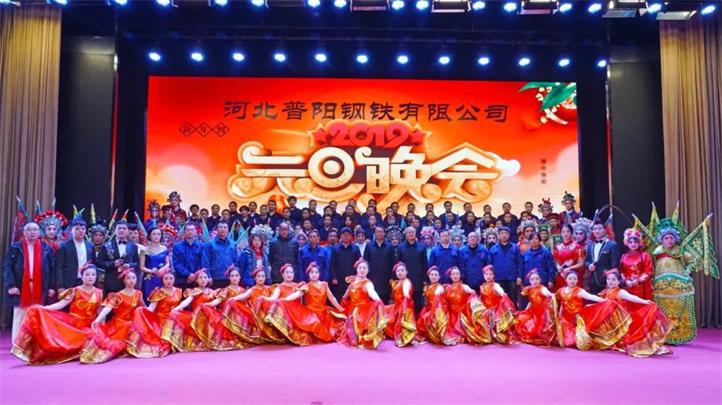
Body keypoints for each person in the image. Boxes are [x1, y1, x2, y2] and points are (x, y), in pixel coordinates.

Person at [12, 265, 102, 365]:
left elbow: (99, 313)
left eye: (93, 275)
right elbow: (60, 305)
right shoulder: (74, 291)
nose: (90, 277)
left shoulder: (99, 293)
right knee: (38, 314)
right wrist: (44, 308)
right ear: (82, 276)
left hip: (88, 325)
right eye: (87, 274)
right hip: (72, 324)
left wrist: (100, 326)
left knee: (93, 337)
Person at [599, 270, 671, 357]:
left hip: (621, 321)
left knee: (630, 341)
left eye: (614, 279)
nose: (610, 282)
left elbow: (631, 297)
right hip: (611, 322)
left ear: (618, 281)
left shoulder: (620, 292)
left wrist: (644, 301)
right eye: (608, 279)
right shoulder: (605, 292)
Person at [3, 222, 55, 341]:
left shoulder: (46, 248)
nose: (32, 232)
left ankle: (34, 343)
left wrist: (51, 287)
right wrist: (11, 285)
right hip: (20, 286)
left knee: (37, 315)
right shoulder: (15, 248)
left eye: (35, 230)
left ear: (39, 232)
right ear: (24, 232)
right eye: (29, 230)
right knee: (19, 316)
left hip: (40, 286)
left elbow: (51, 268)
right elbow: (7, 267)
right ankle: (17, 344)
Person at [80, 268, 144, 364]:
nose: (131, 280)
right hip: (119, 325)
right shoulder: (117, 295)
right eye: (128, 278)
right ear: (124, 280)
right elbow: (107, 308)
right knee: (110, 345)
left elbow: (144, 309)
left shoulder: (138, 294)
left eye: (133, 278)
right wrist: (97, 320)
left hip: (133, 325)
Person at [262, 264, 334, 345]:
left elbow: (302, 300)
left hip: (298, 312)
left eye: (291, 272)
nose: (289, 275)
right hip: (286, 312)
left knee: (312, 327)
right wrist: (265, 298)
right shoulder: (279, 287)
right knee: (279, 302)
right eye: (287, 272)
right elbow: (274, 298)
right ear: (282, 274)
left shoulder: (298, 286)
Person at [555, 271, 629, 350]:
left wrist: (604, 301)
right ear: (566, 280)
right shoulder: (560, 291)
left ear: (577, 280)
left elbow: (591, 297)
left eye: (574, 279)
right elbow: (559, 302)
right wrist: (559, 315)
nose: (572, 281)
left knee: (578, 343)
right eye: (570, 279)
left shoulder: (579, 291)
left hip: (577, 320)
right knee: (562, 341)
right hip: (564, 320)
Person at [126, 271, 182, 358]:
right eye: (166, 279)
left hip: (175, 319)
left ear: (174, 279)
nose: (169, 281)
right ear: (162, 280)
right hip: (162, 320)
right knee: (164, 343)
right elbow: (151, 309)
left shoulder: (179, 291)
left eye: (171, 278)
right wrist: (141, 311)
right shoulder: (159, 292)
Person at [337, 259, 388, 349]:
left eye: (364, 268)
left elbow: (372, 293)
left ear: (368, 270)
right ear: (357, 269)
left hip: (364, 310)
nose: (362, 270)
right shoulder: (352, 284)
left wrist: (379, 301)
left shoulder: (368, 283)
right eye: (360, 268)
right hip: (352, 311)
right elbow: (345, 296)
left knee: (375, 306)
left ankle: (366, 337)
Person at [191, 267, 246, 350]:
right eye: (232, 276)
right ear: (229, 278)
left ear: (240, 277)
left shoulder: (243, 291)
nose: (234, 278)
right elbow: (218, 300)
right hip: (228, 316)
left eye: (236, 275)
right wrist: (209, 304)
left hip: (241, 316)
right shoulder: (225, 290)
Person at [162, 269, 215, 352]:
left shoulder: (212, 292)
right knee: (177, 315)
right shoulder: (194, 291)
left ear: (208, 279)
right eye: (200, 278)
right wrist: (176, 308)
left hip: (210, 318)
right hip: (197, 318)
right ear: (196, 280)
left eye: (205, 277)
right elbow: (186, 302)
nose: (203, 280)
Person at [222, 266, 275, 345]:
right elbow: (243, 296)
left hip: (268, 315)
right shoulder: (251, 290)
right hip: (256, 315)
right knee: (234, 303)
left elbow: (274, 298)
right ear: (255, 278)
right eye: (258, 276)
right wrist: (233, 299)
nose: (261, 278)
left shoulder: (269, 288)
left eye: (263, 276)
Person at [444, 267, 491, 345]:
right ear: (450, 276)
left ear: (460, 275)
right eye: (453, 274)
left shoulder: (464, 286)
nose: (455, 276)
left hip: (462, 314)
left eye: (457, 274)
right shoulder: (447, 287)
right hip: (451, 314)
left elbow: (470, 291)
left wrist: (470, 291)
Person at [299, 262, 345, 339]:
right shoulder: (306, 286)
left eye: (316, 272)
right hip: (311, 313)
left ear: (319, 274)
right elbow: (296, 294)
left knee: (335, 328)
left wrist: (340, 308)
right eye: (312, 272)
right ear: (308, 274)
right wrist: (285, 299)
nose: (314, 274)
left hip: (324, 313)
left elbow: (332, 298)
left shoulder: (324, 285)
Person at [514, 270, 556, 346]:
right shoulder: (529, 289)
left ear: (540, 280)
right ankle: (530, 336)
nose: (535, 281)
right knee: (521, 318)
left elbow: (548, 294)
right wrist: (526, 310)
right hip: (533, 311)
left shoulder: (542, 288)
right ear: (529, 281)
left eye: (537, 279)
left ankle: (541, 336)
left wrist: (551, 295)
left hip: (542, 312)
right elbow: (531, 301)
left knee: (537, 327)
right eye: (532, 279)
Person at [478, 265, 517, 344]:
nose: (488, 276)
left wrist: (502, 293)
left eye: (491, 274)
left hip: (494, 310)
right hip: (485, 310)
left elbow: (501, 292)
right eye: (486, 274)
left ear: (494, 275)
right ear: (483, 275)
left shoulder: (495, 285)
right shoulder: (483, 286)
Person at [384, 262, 419, 347]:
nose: (400, 272)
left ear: (406, 272)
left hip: (405, 307)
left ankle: (403, 336)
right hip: (397, 306)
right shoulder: (398, 282)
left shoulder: (406, 282)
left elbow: (406, 291)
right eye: (398, 271)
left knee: (399, 320)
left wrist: (406, 295)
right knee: (383, 311)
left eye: (402, 270)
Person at [100, 220, 140, 295]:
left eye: (124, 228)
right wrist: (113, 264)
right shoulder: (106, 246)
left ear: (128, 231)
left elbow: (137, 263)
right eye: (119, 228)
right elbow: (99, 262)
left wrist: (129, 265)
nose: (121, 230)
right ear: (114, 230)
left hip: (128, 283)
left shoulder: (133, 246)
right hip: (111, 282)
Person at [55, 220, 94, 293]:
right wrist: (60, 285)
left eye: (83, 229)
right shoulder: (64, 246)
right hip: (69, 282)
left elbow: (93, 264)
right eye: (77, 229)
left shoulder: (90, 246)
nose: (81, 231)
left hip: (86, 281)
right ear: (71, 230)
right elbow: (59, 267)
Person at [417, 266, 452, 345]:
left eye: (436, 275)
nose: (434, 277)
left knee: (427, 317)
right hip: (430, 308)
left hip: (439, 310)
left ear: (439, 277)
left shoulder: (440, 287)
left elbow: (437, 293)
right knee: (422, 318)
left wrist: (437, 293)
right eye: (432, 275)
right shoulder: (428, 287)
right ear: (429, 276)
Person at [396, 227, 427, 313]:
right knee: (405, 301)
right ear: (405, 235)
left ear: (415, 233)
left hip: (418, 279)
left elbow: (425, 264)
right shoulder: (401, 247)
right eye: (408, 232)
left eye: (412, 232)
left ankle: (417, 319)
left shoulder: (421, 247)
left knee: (418, 302)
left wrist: (425, 279)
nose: (411, 234)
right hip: (404, 279)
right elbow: (397, 264)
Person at [619, 228, 653, 305]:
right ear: (627, 243)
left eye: (635, 242)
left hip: (642, 286)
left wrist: (638, 280)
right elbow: (621, 271)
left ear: (639, 243)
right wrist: (626, 281)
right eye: (630, 242)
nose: (633, 244)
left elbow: (648, 271)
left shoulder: (645, 255)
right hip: (628, 286)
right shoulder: (624, 256)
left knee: (642, 306)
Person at [585, 221, 621, 295]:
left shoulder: (612, 245)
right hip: (592, 281)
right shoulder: (590, 246)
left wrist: (611, 278)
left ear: (605, 230)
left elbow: (615, 266)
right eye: (595, 229)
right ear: (592, 231)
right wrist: (589, 266)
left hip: (607, 281)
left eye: (600, 228)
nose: (597, 231)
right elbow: (586, 261)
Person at [363, 226, 395, 303]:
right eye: (377, 232)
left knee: (385, 302)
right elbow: (365, 262)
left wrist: (392, 277)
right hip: (372, 278)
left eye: (381, 232)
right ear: (374, 233)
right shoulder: (369, 246)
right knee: (372, 302)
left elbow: (393, 263)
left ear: (384, 233)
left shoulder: (390, 246)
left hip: (386, 279)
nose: (379, 233)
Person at [139, 227, 171, 302]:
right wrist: (151, 271)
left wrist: (162, 270)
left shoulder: (164, 249)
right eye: (154, 234)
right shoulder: (144, 250)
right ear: (149, 236)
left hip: (161, 277)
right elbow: (141, 267)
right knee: (148, 298)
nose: (156, 236)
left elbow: (168, 263)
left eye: (158, 234)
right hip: (149, 278)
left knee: (162, 299)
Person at [201, 221, 237, 287]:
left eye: (225, 227)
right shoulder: (209, 244)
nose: (222, 229)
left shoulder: (233, 244)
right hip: (214, 278)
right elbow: (205, 262)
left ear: (228, 230)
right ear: (217, 229)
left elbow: (236, 261)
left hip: (230, 278)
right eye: (220, 227)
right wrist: (208, 276)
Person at [329, 227, 361, 299]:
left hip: (352, 279)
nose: (346, 236)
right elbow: (332, 264)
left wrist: (357, 276)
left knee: (351, 299)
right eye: (344, 234)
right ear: (340, 236)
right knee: (339, 299)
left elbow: (359, 264)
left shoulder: (355, 248)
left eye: (348, 235)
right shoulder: (335, 248)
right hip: (339, 279)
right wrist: (334, 277)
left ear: (351, 236)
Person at [552, 224, 585, 291]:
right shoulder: (557, 247)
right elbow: (556, 261)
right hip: (561, 275)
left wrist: (570, 268)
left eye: (568, 231)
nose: (565, 234)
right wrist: (558, 266)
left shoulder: (578, 247)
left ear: (571, 233)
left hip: (573, 276)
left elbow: (581, 263)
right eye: (563, 232)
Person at [172, 223, 203, 290]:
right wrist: (188, 274)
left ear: (195, 231)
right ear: (184, 232)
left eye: (192, 230)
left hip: (197, 280)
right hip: (181, 280)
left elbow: (202, 262)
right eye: (188, 230)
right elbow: (176, 263)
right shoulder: (177, 246)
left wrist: (195, 275)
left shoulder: (201, 246)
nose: (190, 232)